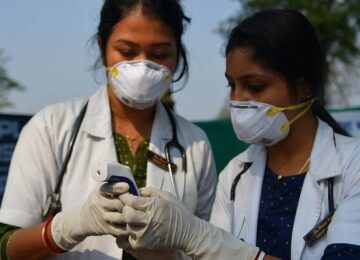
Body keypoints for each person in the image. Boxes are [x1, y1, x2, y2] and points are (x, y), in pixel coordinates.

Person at [116, 9, 360, 260]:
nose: (238, 100)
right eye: (232, 85)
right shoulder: (235, 175)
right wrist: (161, 251)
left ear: (304, 87)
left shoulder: (353, 167)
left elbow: (218, 248)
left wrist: (199, 237)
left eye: (255, 86)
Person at [0, 0, 217, 259]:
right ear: (102, 48)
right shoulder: (51, 128)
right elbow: (6, 247)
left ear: (177, 55)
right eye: (126, 52)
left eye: (159, 54)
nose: (143, 68)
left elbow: (212, 246)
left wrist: (172, 253)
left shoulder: (195, 144)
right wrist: (64, 229)